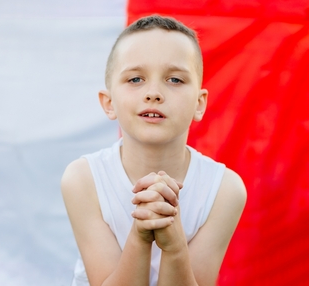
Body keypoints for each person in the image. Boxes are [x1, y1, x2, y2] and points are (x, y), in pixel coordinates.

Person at [61, 15, 247, 286]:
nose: (154, 93)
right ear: (109, 102)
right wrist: (140, 234)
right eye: (136, 79)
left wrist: (174, 246)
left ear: (199, 102)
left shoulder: (225, 189)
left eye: (174, 79)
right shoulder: (82, 179)